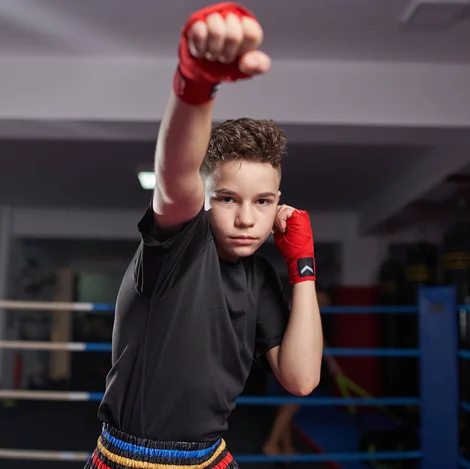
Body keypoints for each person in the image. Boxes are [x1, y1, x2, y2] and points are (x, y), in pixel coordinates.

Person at [84, 3, 324, 469]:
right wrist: (195, 85)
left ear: (279, 203)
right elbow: (174, 176)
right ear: (206, 198)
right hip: (132, 460)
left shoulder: (258, 276)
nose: (246, 220)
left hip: (212, 458)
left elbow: (300, 378)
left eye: (263, 201)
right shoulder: (178, 248)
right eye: (228, 199)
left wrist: (304, 267)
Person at [262, 290, 343, 458]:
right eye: (324, 300)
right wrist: (333, 363)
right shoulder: (304, 310)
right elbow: (321, 342)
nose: (325, 304)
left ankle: (286, 447)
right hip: (292, 363)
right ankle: (271, 444)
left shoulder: (296, 308)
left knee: (286, 407)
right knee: (290, 407)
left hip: (280, 359)